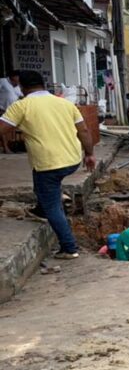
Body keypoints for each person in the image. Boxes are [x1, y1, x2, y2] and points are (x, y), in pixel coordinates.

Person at [0, 70, 95, 259]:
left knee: (52, 203)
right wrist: (90, 154)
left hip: (48, 163)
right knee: (43, 185)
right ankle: (41, 208)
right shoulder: (65, 104)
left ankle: (69, 248)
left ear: (22, 87)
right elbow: (83, 130)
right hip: (72, 160)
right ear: (43, 84)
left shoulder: (21, 106)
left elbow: (2, 129)